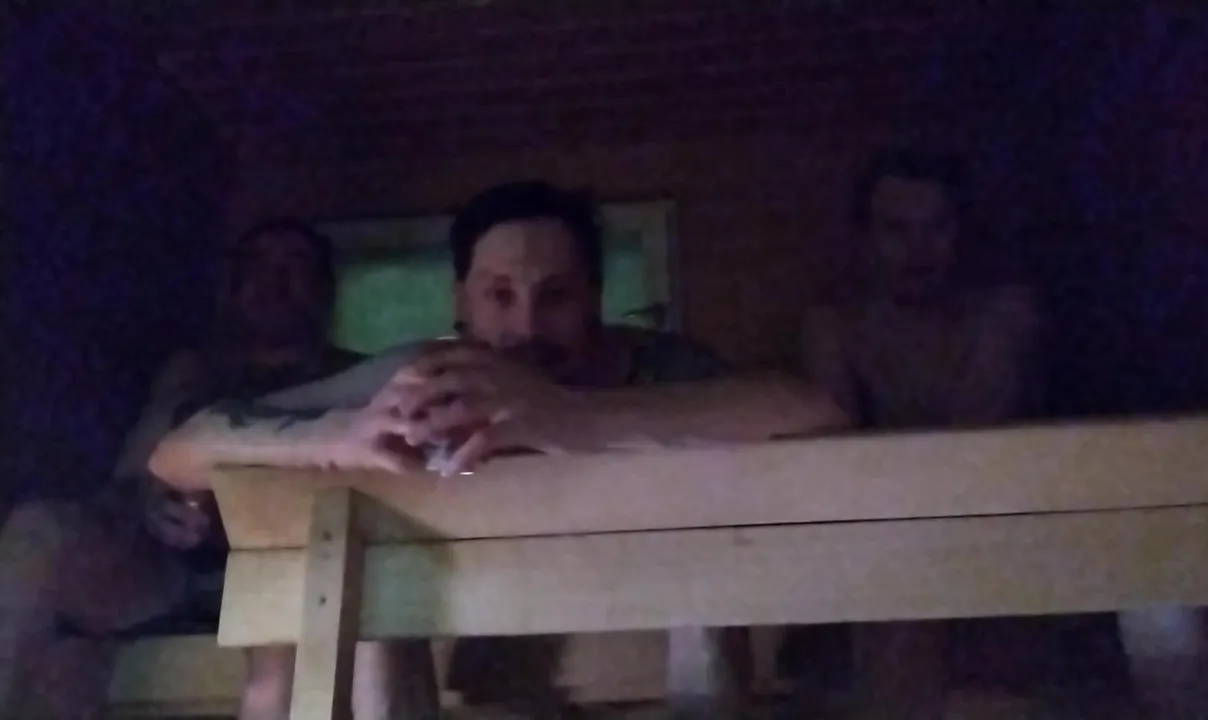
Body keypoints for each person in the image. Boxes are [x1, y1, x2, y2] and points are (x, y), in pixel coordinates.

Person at [148, 180, 849, 717]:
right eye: (500, 296)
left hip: (653, 619)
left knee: (708, 578)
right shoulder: (428, 373)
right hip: (470, 627)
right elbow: (179, 449)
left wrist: (572, 418)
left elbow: (814, 411)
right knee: (372, 600)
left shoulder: (660, 367)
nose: (527, 327)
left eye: (556, 296)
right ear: (461, 301)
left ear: (595, 297)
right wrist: (331, 434)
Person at [0, 220, 429, 720]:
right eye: (257, 266)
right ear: (233, 286)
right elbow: (132, 480)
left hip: (299, 559)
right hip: (172, 571)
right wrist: (154, 502)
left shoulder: (360, 376)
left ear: (325, 289)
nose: (274, 280)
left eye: (294, 266)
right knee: (38, 531)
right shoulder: (194, 374)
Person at [788, 149, 1041, 718]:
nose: (918, 250)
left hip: (993, 532)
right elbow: (839, 462)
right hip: (875, 542)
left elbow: (979, 449)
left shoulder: (1001, 318)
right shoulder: (834, 326)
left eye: (936, 228)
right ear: (864, 238)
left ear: (961, 232)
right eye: (897, 230)